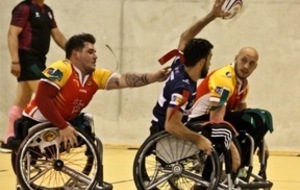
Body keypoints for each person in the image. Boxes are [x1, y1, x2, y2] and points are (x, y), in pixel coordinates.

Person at [7, 32, 170, 188]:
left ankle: (93, 179)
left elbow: (124, 80)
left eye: (95, 52)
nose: (95, 56)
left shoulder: (96, 76)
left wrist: (154, 77)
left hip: (62, 124)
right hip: (38, 122)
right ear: (76, 54)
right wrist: (62, 125)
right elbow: (42, 100)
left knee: (89, 126)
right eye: (90, 51)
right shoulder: (61, 68)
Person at [149, 0, 240, 181]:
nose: (211, 63)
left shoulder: (181, 64)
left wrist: (212, 16)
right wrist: (198, 140)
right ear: (201, 62)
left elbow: (185, 37)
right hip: (165, 135)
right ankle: (223, 178)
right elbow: (171, 125)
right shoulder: (183, 89)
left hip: (164, 127)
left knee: (220, 129)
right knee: (223, 133)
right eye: (209, 59)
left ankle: (218, 175)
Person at [188, 46, 273, 177]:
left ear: (255, 67)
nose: (246, 66)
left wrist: (260, 138)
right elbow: (215, 119)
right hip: (201, 120)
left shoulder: (243, 84)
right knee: (255, 118)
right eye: (243, 60)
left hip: (217, 119)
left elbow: (242, 114)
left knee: (261, 117)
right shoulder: (224, 79)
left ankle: (241, 170)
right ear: (236, 59)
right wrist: (234, 152)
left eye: (251, 63)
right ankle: (233, 169)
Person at [0, 0, 67, 153]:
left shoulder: (47, 11)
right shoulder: (24, 8)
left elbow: (57, 35)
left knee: (23, 98)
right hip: (27, 57)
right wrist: (15, 60)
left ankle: (9, 140)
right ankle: (41, 136)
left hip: (39, 58)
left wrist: (72, 49)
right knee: (45, 95)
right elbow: (12, 33)